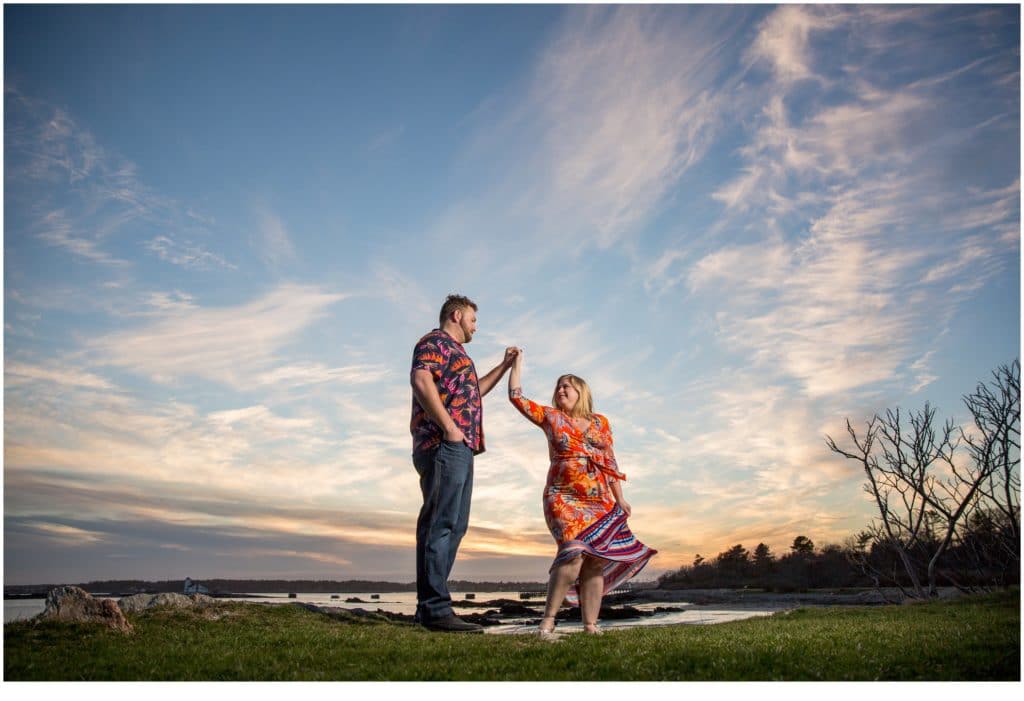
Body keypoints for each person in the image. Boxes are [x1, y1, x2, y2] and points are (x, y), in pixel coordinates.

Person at [508, 350, 656, 635]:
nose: (560, 389)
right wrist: (516, 364)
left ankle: (590, 625)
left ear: (581, 392)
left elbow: (609, 460)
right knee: (572, 553)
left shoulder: (601, 422)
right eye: (558, 386)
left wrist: (620, 498)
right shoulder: (551, 417)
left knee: (595, 560)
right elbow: (517, 397)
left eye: (567, 385)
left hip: (598, 499)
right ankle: (547, 624)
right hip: (562, 496)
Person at [410, 294, 518, 632]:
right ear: (457, 315)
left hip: (462, 448)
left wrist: (503, 366)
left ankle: (432, 607)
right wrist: (450, 428)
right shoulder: (434, 343)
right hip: (443, 443)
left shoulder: (461, 356)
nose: (476, 325)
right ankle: (435, 610)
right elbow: (421, 380)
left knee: (455, 525)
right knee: (439, 523)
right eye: (473, 319)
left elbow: (476, 391)